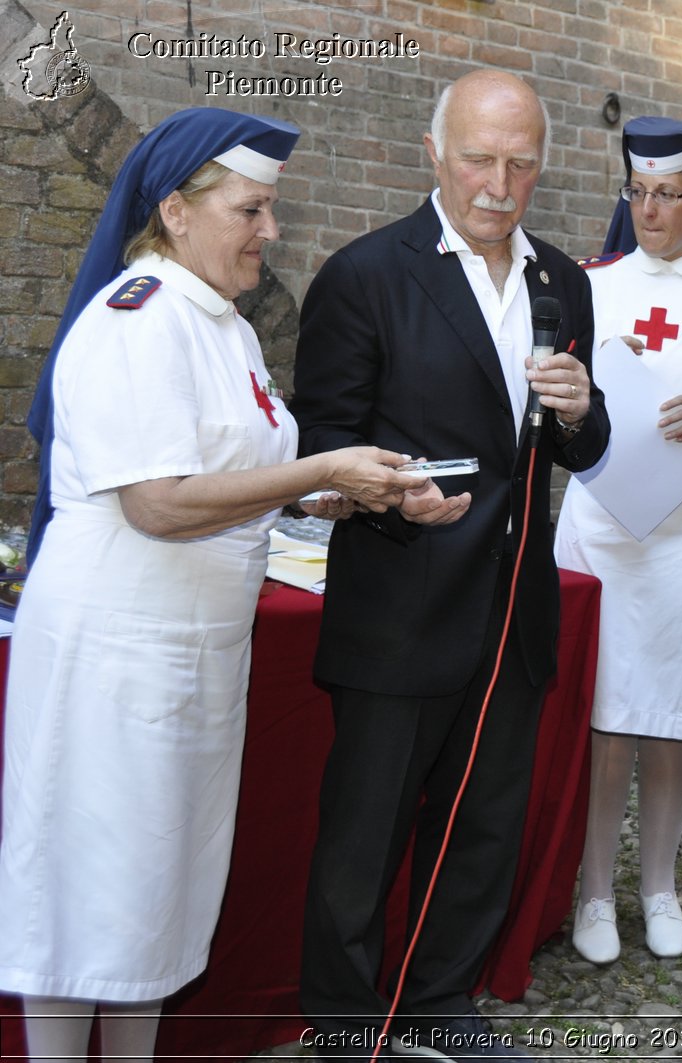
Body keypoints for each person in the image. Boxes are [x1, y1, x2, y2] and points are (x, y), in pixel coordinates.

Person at [0, 107, 417, 1063]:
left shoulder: (220, 324)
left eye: (269, 210)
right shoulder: (136, 323)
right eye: (252, 209)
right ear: (176, 213)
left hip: (188, 658)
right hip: (114, 661)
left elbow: (233, 476)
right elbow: (156, 501)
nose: (270, 231)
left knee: (154, 896)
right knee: (86, 896)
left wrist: (345, 496)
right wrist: (322, 471)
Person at [290, 71, 610, 1057]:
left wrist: (579, 411)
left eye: (520, 162)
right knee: (364, 836)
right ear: (434, 152)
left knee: (482, 829)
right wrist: (390, 497)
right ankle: (343, 1025)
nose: (497, 183)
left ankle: (439, 1003)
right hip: (398, 605)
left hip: (512, 612)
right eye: (478, 158)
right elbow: (322, 454)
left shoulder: (563, 281)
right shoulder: (366, 274)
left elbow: (581, 450)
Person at [555, 116, 682, 964]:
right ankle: (595, 891)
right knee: (607, 718)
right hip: (606, 526)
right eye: (636, 193)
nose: (649, 209)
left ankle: (659, 885)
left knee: (670, 718)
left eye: (668, 194)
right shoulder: (586, 283)